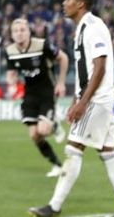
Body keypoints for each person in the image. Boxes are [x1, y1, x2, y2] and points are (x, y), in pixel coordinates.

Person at [29, 0, 114, 217]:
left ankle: (54, 206)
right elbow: (86, 70)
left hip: (96, 100)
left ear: (80, 4)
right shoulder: (82, 29)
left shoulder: (94, 27)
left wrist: (83, 102)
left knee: (73, 149)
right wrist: (77, 98)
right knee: (108, 151)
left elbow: (100, 68)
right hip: (95, 99)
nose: (63, 2)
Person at [5, 18, 69, 177]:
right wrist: (11, 82)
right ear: (12, 35)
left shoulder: (42, 45)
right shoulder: (10, 51)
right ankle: (57, 165)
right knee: (34, 135)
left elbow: (64, 58)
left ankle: (54, 125)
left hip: (47, 91)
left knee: (42, 129)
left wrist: (60, 83)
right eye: (16, 31)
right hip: (29, 94)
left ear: (28, 32)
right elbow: (11, 72)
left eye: (22, 30)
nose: (19, 33)